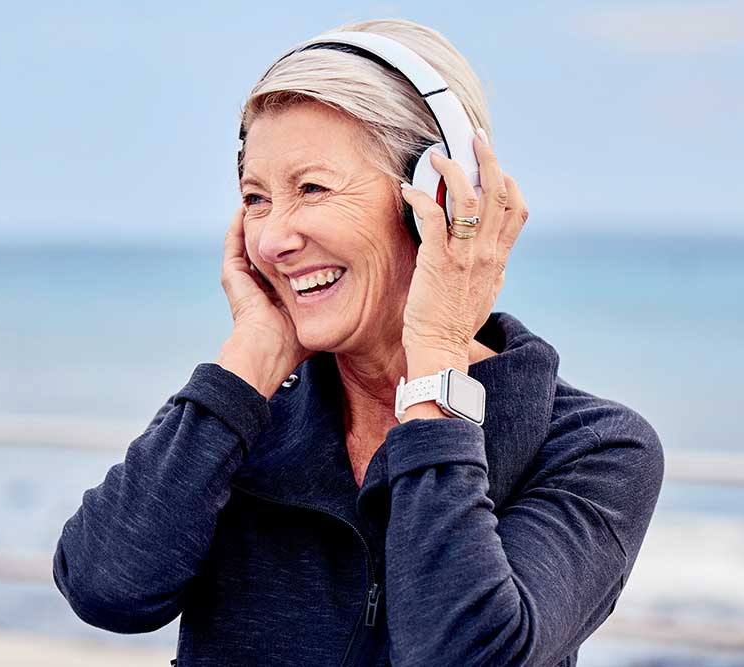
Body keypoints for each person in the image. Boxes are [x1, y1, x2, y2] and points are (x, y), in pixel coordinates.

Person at [52, 18, 664, 667]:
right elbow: (107, 589)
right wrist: (248, 359)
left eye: (312, 188)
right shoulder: (245, 416)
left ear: (437, 195)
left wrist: (434, 358)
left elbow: (464, 655)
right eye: (255, 198)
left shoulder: (593, 447)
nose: (272, 239)